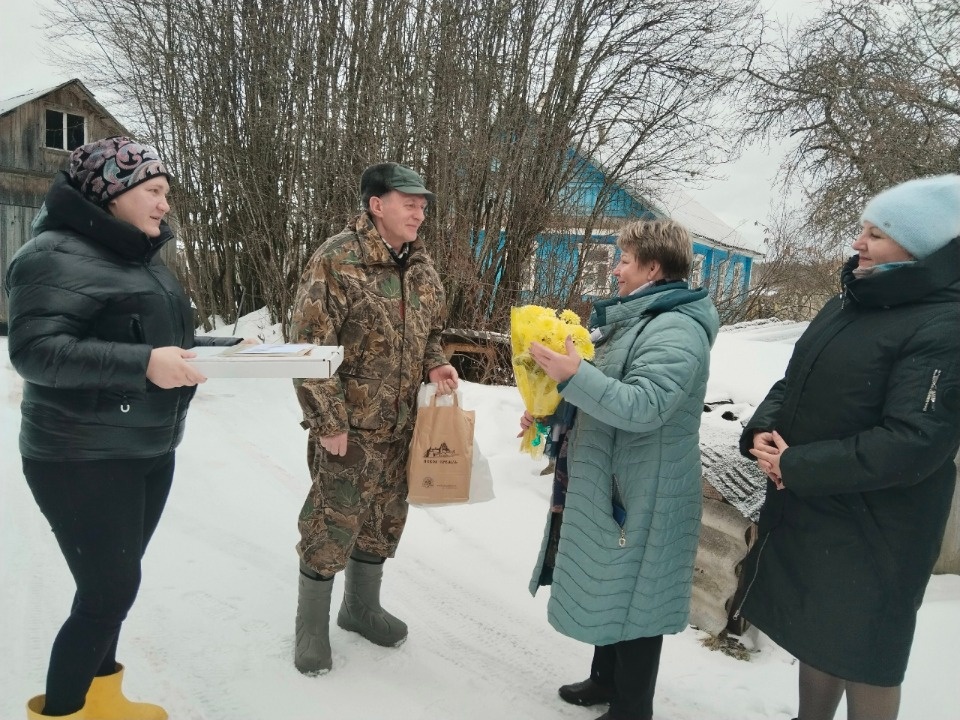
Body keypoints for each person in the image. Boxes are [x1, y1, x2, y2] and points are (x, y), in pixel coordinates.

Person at [6, 137, 245, 719]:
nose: (165, 204)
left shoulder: (139, 258)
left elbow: (153, 339)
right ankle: (63, 711)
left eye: (165, 192)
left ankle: (102, 701)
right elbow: (35, 352)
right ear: (111, 191)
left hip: (146, 447)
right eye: (154, 191)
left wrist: (232, 348)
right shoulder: (50, 255)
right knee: (106, 593)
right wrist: (144, 366)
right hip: (78, 455)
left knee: (115, 590)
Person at [741, 175, 960, 720]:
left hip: (881, 523)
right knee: (821, 633)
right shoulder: (850, 301)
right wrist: (763, 428)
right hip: (820, 504)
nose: (858, 243)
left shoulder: (946, 323)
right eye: (863, 228)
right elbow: (794, 379)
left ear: (923, 247)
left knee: (867, 651)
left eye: (878, 234)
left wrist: (799, 465)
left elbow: (915, 442)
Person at [522, 219, 719, 720]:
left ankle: (633, 709)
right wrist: (551, 408)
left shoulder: (676, 327)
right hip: (614, 479)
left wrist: (575, 377)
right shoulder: (635, 318)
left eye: (624, 260)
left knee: (638, 600)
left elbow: (645, 405)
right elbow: (597, 390)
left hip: (643, 488)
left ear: (654, 267)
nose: (615, 270)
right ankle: (604, 680)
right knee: (612, 583)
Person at [289, 162, 458, 674]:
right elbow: (308, 348)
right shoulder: (338, 260)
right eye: (408, 201)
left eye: (423, 204)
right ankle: (311, 628)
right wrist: (330, 422)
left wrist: (436, 360)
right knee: (331, 521)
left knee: (383, 521)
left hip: (405, 427)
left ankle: (360, 608)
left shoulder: (422, 267)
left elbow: (432, 330)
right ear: (375, 205)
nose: (419, 211)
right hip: (352, 429)